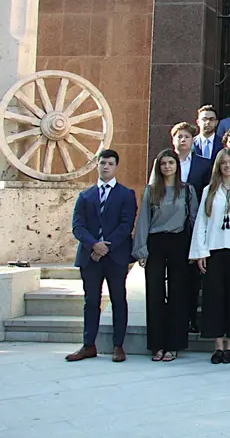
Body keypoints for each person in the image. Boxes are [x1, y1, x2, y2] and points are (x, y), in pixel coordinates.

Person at [66, 149, 137, 363]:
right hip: (90, 257)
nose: (105, 167)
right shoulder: (85, 196)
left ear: (116, 166)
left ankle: (118, 345)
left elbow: (126, 224)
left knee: (118, 299)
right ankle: (88, 345)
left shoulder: (126, 194)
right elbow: (78, 226)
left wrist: (106, 247)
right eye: (102, 163)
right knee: (91, 301)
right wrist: (94, 245)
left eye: (110, 163)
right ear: (97, 165)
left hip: (115, 257)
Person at [189, 148, 230, 365]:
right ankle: (218, 345)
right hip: (214, 251)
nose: (227, 166)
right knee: (214, 299)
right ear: (218, 166)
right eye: (224, 163)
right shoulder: (209, 190)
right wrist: (200, 253)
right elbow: (202, 223)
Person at [133, 148, 198, 362]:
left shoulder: (187, 190)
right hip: (156, 241)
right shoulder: (151, 190)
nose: (168, 166)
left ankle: (174, 344)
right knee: (155, 293)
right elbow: (143, 220)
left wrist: (196, 250)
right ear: (158, 167)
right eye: (164, 163)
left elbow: (195, 220)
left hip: (179, 241)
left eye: (171, 163)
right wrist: (141, 249)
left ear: (177, 166)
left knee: (178, 294)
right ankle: (157, 344)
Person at [172, 121, 211, 333]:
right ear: (173, 140)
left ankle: (192, 318)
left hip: (194, 225)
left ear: (193, 140)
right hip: (171, 228)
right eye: (179, 137)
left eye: (187, 137)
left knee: (194, 276)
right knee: (176, 276)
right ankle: (176, 318)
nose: (183, 140)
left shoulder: (204, 164)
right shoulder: (165, 162)